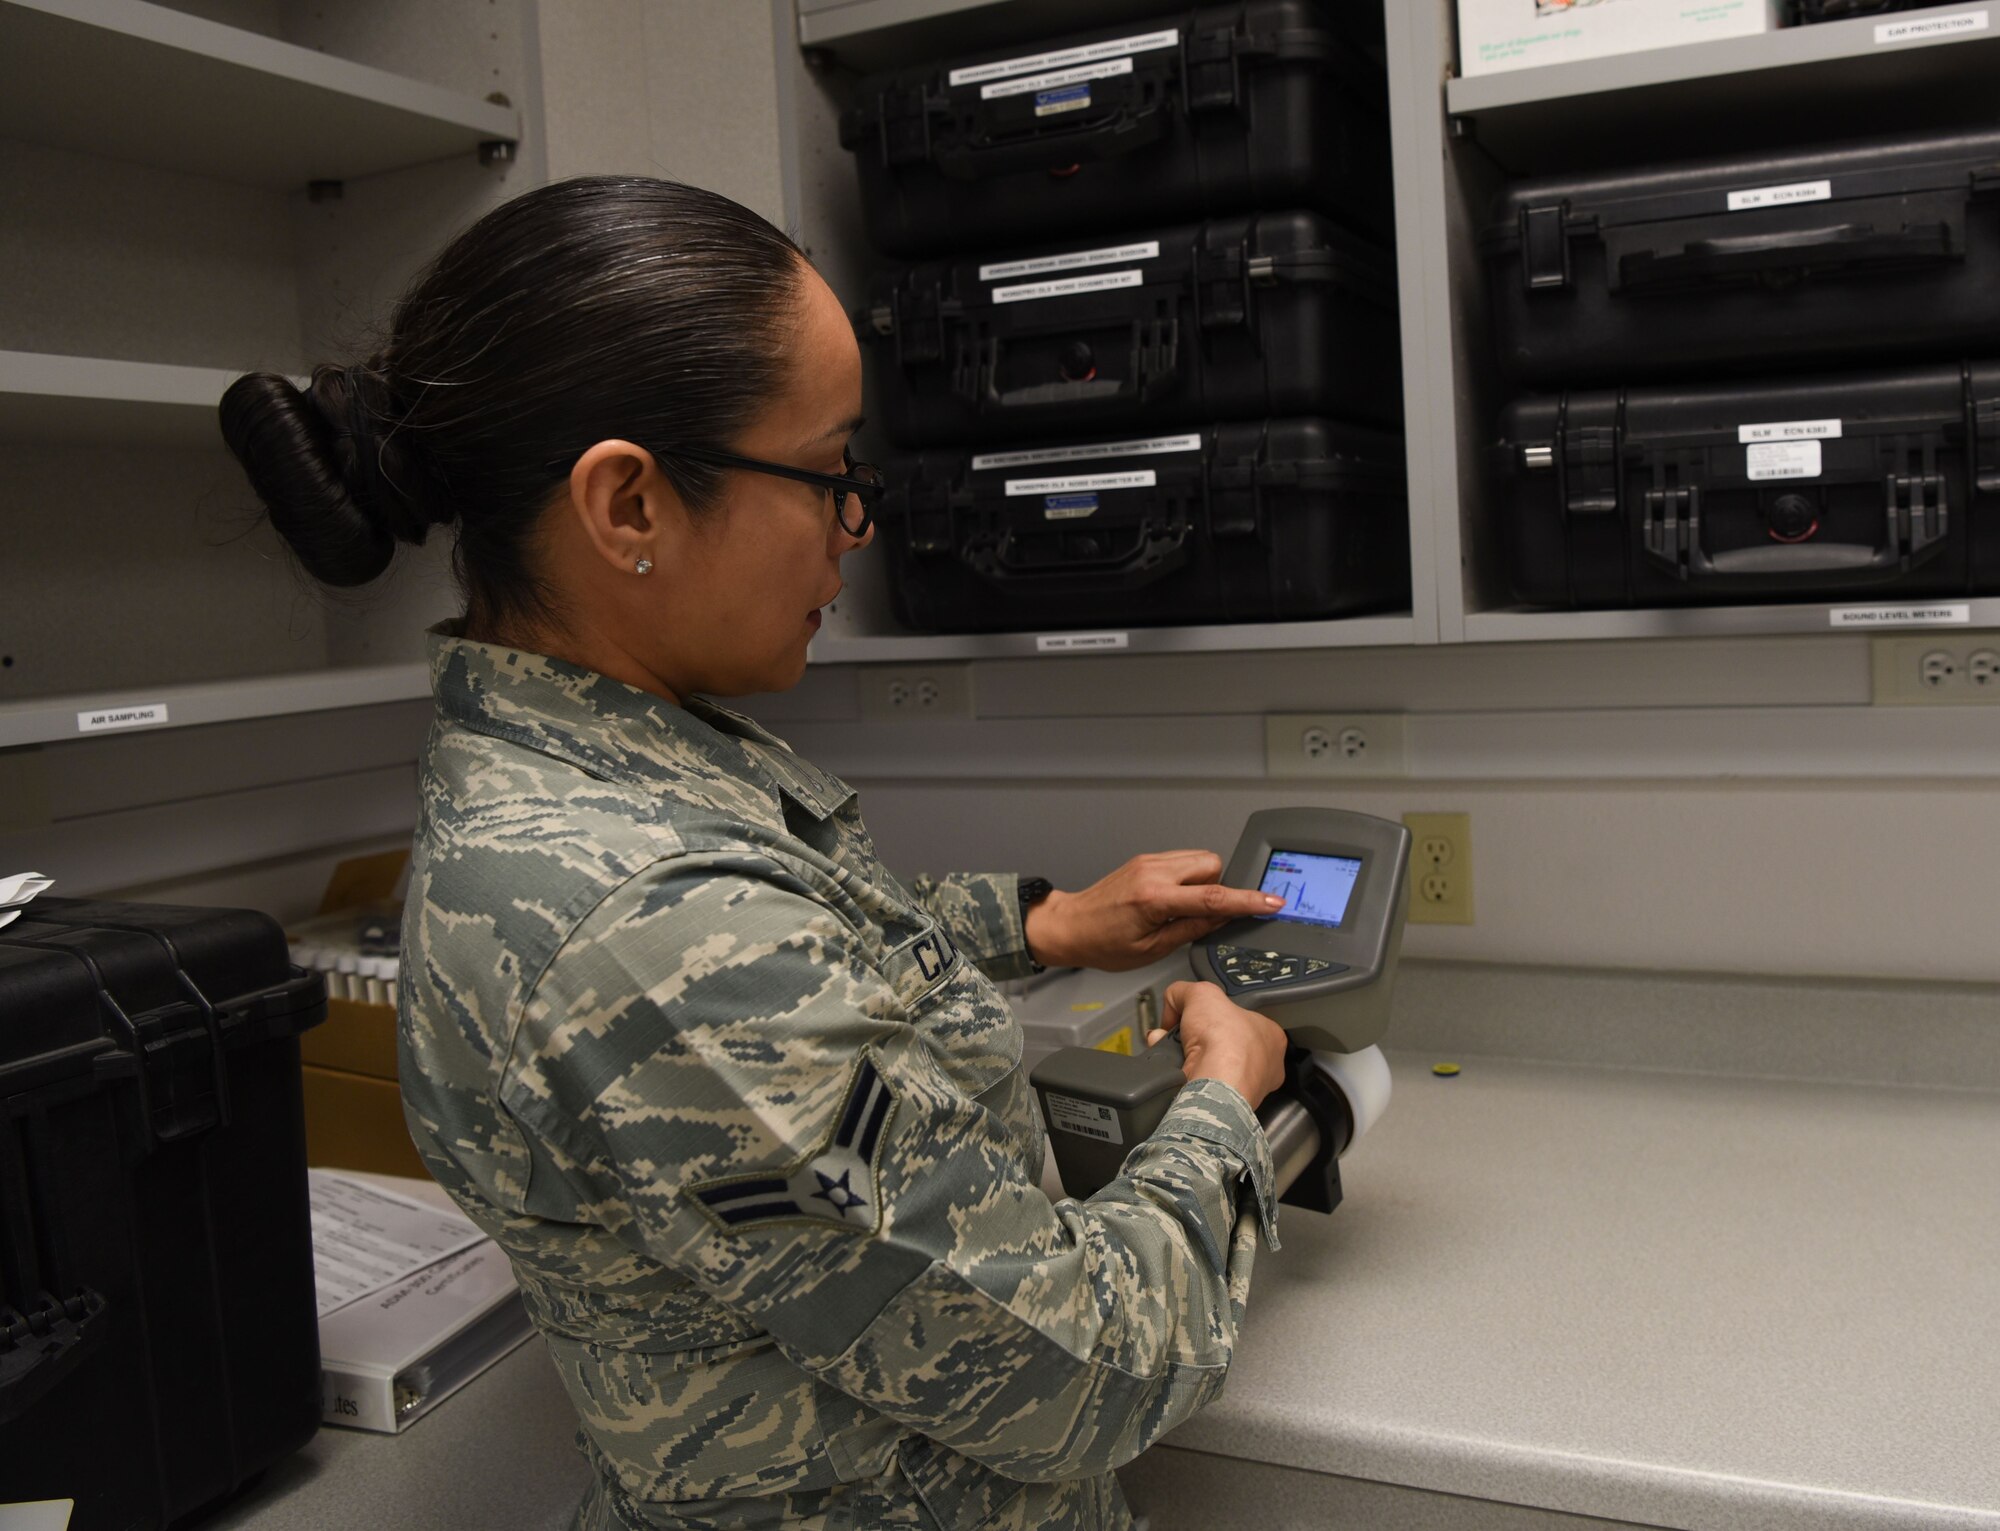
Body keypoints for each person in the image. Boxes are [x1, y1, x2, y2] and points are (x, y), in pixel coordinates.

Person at [221, 177, 1292, 1531]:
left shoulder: (590, 774)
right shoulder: (646, 931)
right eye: (829, 471)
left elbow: (803, 934)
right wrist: (1226, 1101)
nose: (860, 522)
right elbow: (1089, 1367)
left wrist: (1045, 925)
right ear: (629, 507)